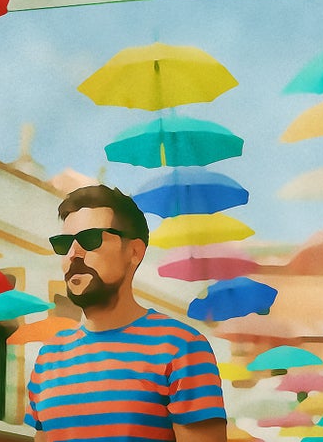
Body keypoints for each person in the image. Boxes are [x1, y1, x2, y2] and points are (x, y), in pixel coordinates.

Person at [25, 185, 227, 442]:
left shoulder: (181, 347)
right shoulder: (48, 359)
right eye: (64, 244)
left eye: (90, 240)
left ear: (134, 252)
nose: (73, 254)